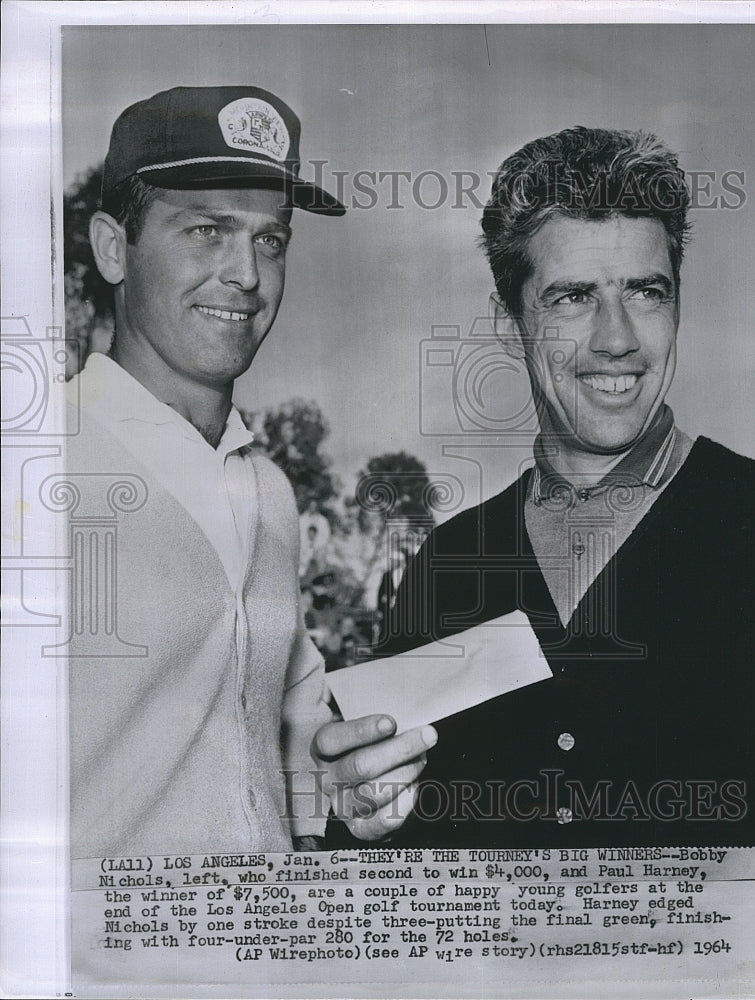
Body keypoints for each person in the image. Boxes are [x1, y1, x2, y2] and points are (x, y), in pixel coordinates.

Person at [65, 85, 435, 859]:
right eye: (205, 230)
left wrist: (346, 788)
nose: (246, 274)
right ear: (110, 248)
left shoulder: (267, 489)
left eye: (271, 241)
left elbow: (290, 733)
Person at [380, 127, 755, 849]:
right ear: (511, 326)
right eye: (572, 298)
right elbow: (387, 843)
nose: (615, 338)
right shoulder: (446, 566)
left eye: (646, 292)